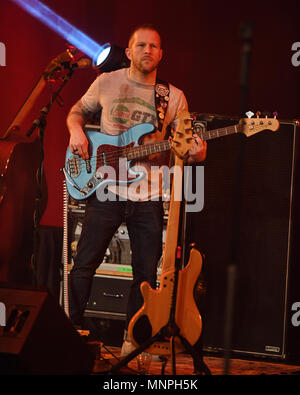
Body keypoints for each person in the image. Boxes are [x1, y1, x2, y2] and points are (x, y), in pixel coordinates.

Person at [66, 23, 207, 356]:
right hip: (105, 189)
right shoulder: (105, 82)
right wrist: (77, 132)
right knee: (84, 262)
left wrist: (198, 150)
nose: (148, 51)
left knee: (144, 273)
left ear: (161, 54)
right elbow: (76, 112)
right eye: (141, 45)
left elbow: (191, 146)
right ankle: (71, 329)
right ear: (128, 52)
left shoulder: (172, 96)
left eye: (154, 46)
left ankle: (134, 338)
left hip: (149, 196)